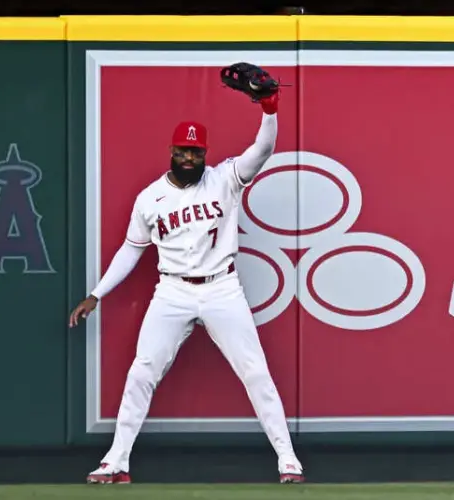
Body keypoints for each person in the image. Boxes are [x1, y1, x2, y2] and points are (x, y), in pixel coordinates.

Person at [68, 87, 304, 485]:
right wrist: (97, 294)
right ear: (172, 151)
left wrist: (269, 108)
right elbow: (131, 250)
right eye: (183, 151)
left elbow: (263, 150)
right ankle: (116, 461)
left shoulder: (225, 178)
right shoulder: (150, 199)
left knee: (256, 372)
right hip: (172, 291)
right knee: (142, 371)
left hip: (222, 288)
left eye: (197, 151)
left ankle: (288, 461)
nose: (190, 157)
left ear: (205, 154)